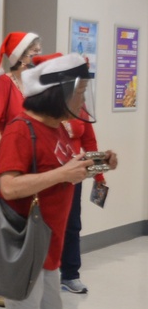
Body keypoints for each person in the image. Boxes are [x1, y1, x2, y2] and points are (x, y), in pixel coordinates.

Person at [0, 53, 117, 309]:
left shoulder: (60, 129)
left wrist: (99, 163)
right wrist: (63, 173)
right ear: (55, 93)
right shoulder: (21, 129)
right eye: (77, 91)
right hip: (25, 242)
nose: (81, 99)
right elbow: (9, 185)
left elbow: (66, 169)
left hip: (50, 242)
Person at [0, 31, 40, 308]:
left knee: (27, 221)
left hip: (31, 163)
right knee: (5, 222)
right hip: (10, 164)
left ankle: (22, 279)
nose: (38, 51)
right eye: (32, 48)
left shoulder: (32, 83)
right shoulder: (4, 83)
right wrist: (5, 150)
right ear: (19, 55)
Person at [59, 106, 103, 294]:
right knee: (44, 226)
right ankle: (39, 276)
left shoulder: (80, 108)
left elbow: (90, 142)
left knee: (72, 224)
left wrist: (98, 175)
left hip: (74, 176)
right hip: (48, 174)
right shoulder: (45, 104)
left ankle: (70, 275)